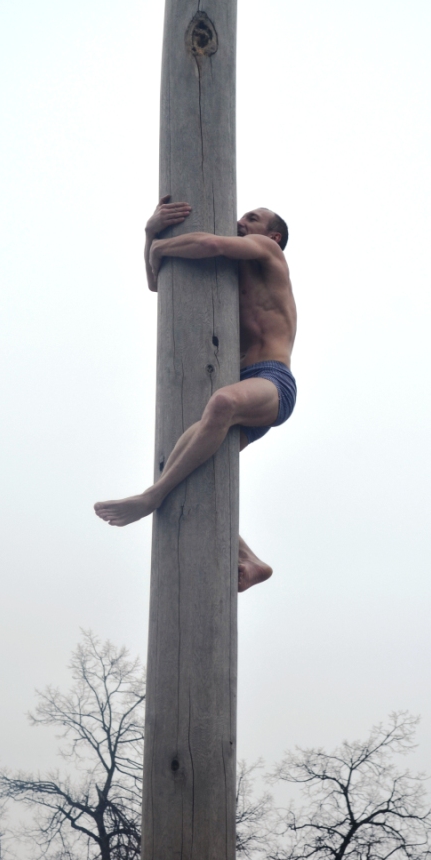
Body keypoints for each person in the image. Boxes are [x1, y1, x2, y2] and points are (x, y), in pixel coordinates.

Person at [94, 196, 298, 592]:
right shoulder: (231, 276)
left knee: (222, 402)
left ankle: (151, 497)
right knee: (194, 470)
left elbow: (209, 244)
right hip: (245, 388)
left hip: (272, 380)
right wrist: (151, 233)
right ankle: (251, 560)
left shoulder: (269, 251)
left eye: (251, 218)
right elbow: (160, 282)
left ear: (272, 234)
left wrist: (160, 246)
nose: (239, 221)